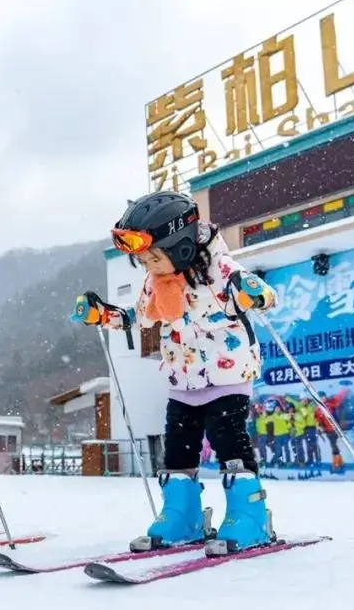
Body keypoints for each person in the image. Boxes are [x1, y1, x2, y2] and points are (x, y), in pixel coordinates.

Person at [75, 190, 279, 554]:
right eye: (143, 259)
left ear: (181, 247)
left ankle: (250, 517)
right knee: (177, 451)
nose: (149, 265)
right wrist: (103, 316)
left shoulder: (220, 270)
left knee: (228, 441)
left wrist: (254, 294)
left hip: (227, 377)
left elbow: (264, 295)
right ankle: (182, 516)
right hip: (183, 379)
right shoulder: (157, 283)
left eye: (154, 256)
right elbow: (138, 317)